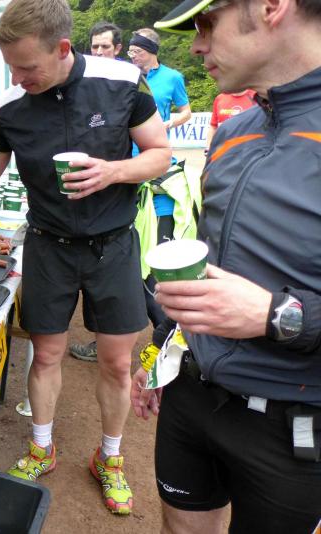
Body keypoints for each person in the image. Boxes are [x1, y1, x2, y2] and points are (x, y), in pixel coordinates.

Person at [0, 0, 170, 515]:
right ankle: (42, 448)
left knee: (116, 361)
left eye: (27, 67)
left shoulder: (123, 81)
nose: (17, 78)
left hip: (113, 245)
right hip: (47, 246)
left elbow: (159, 154)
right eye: (11, 67)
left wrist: (112, 172)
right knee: (47, 354)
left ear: (62, 48)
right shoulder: (9, 105)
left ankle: (109, 457)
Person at [131, 1, 321, 532]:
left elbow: (268, 309)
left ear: (272, 6)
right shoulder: (232, 133)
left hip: (295, 422)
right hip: (190, 392)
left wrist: (277, 315)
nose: (196, 45)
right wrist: (160, 352)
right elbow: (204, 266)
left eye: (206, 23)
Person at [71, 26, 199, 363]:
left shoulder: (168, 78)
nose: (132, 55)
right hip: (115, 183)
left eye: (136, 50)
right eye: (95, 46)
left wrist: (166, 125)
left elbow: (185, 111)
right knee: (116, 267)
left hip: (155, 183)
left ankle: (168, 344)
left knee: (152, 269)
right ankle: (106, 341)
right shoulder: (104, 82)